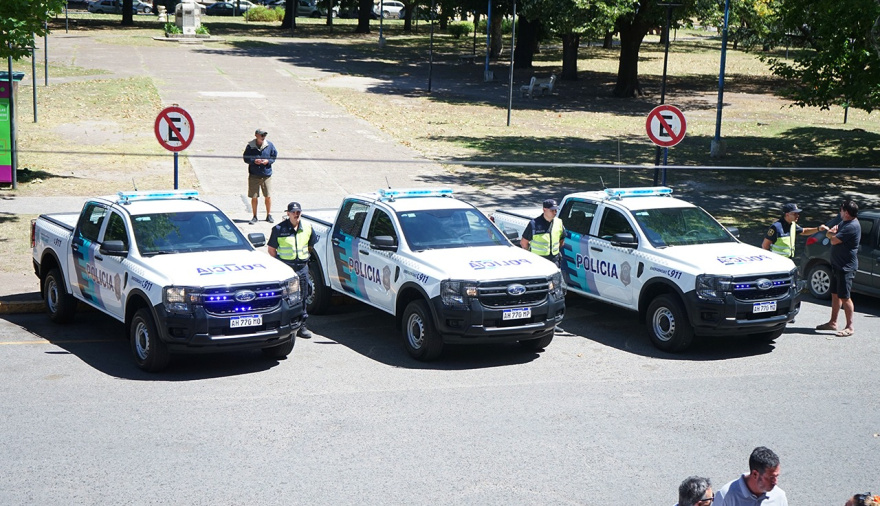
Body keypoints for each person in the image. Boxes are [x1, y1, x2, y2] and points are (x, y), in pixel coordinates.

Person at [268, 202, 317, 339]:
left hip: (302, 268)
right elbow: (272, 250)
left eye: (298, 212)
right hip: (287, 269)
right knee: (286, 297)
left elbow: (310, 246)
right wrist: (282, 264)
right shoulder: (278, 229)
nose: (296, 214)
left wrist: (304, 259)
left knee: (303, 296)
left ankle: (302, 326)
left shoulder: (307, 227)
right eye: (294, 212)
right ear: (288, 213)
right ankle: (285, 324)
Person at [815, 199, 861, 337]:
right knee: (835, 294)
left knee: (845, 297)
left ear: (846, 212)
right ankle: (833, 322)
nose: (839, 212)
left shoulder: (851, 226)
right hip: (837, 265)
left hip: (846, 267)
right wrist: (831, 234)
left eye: (841, 210)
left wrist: (830, 234)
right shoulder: (845, 222)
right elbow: (832, 233)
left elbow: (833, 239)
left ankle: (850, 327)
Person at [714, 446, 788, 505]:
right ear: (755, 474)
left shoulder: (779, 497)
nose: (775, 482)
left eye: (776, 476)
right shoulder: (726, 496)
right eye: (771, 477)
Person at [761, 202, 828, 259]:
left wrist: (818, 229)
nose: (797, 216)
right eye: (794, 214)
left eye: (798, 213)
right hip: (777, 261)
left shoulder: (793, 225)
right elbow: (765, 246)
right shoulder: (776, 227)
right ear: (787, 214)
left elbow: (804, 231)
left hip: (788, 259)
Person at [243, 128, 277, 225]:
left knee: (268, 196)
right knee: (254, 196)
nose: (263, 137)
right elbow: (246, 158)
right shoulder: (250, 146)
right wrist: (254, 161)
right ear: (256, 135)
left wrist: (268, 161)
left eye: (264, 135)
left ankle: (268, 215)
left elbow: (274, 156)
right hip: (254, 175)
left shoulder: (269, 145)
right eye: (261, 135)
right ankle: (254, 216)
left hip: (266, 175)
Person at [521, 198, 566, 268]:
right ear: (544, 210)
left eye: (556, 210)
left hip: (554, 260)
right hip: (538, 261)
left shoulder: (559, 222)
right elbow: (524, 243)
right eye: (552, 210)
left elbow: (562, 240)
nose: (555, 212)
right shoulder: (534, 224)